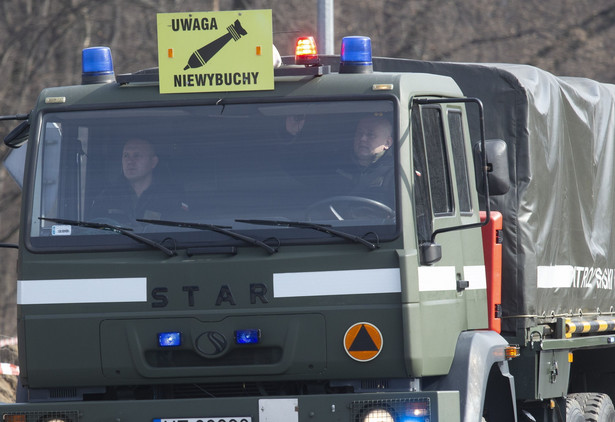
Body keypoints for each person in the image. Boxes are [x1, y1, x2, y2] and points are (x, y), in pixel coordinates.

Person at [90, 138, 189, 225]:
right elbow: (93, 233)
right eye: (126, 155)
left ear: (153, 162)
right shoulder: (107, 197)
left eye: (136, 156)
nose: (130, 161)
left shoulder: (170, 198)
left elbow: (180, 235)